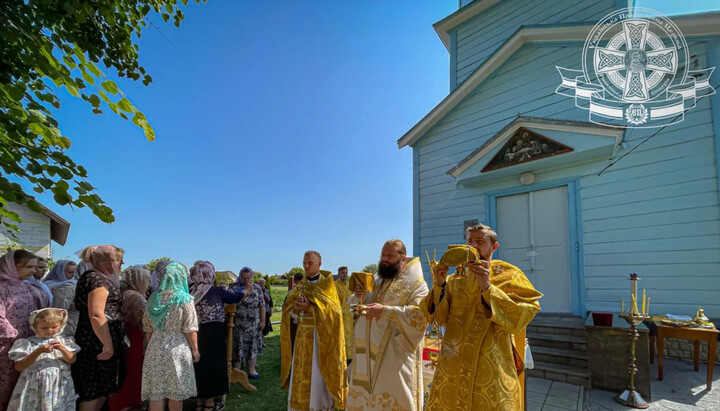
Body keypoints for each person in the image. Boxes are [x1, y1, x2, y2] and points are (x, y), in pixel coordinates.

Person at [420, 224, 543, 410]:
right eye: (470, 241)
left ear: (494, 246)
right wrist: (439, 284)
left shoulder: (509, 274)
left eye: (480, 241)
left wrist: (487, 288)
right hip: (453, 361)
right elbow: (439, 318)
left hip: (491, 362)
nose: (474, 245)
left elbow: (523, 314)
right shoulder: (455, 278)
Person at [347, 240, 429, 410]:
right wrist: (359, 297)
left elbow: (421, 314)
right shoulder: (376, 280)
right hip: (367, 354)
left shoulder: (417, 285)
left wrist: (384, 311)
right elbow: (357, 305)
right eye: (383, 255)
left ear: (403, 258)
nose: (384, 259)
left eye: (390, 256)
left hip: (394, 353)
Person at [281, 251, 346, 411]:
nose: (306, 266)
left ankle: (319, 406)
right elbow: (289, 313)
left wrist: (310, 308)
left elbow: (334, 314)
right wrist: (295, 310)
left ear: (319, 263)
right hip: (301, 338)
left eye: (310, 263)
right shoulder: (300, 286)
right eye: (304, 263)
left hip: (320, 340)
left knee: (317, 377)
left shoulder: (328, 286)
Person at [71, 245, 126, 411]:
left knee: (103, 388)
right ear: (107, 261)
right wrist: (107, 343)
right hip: (97, 340)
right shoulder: (97, 280)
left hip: (101, 337)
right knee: (92, 389)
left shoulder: (99, 277)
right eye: (118, 259)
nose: (122, 262)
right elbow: (96, 314)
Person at [190, 260, 249, 411]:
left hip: (196, 333)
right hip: (214, 334)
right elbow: (234, 298)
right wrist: (246, 290)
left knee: (198, 366)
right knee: (212, 366)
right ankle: (209, 404)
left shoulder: (191, 292)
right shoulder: (215, 291)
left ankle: (199, 402)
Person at [142, 262, 199, 411]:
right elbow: (190, 328)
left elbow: (148, 328)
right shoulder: (185, 299)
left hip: (155, 345)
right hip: (177, 347)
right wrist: (195, 349)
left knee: (157, 392)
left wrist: (153, 343)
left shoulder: (154, 298)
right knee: (176, 392)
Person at [7, 307, 80, 410]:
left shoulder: (64, 341)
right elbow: (19, 366)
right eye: (44, 328)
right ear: (35, 327)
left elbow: (72, 360)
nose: (50, 331)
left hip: (57, 384)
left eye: (54, 327)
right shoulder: (27, 343)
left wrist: (62, 349)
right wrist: (38, 351)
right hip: (34, 385)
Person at [0, 249, 40, 409]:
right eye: (29, 267)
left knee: (20, 386)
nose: (34, 271)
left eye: (35, 267)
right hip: (5, 348)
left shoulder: (26, 287)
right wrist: (14, 336)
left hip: (24, 345)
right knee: (4, 385)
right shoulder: (2, 288)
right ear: (12, 266)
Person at [109, 265, 151, 411]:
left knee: (129, 370)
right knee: (135, 372)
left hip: (127, 335)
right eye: (146, 279)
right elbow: (144, 321)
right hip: (137, 337)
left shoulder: (124, 292)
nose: (148, 282)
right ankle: (127, 402)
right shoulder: (136, 297)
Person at [229, 267, 265, 379]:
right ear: (240, 277)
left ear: (252, 277)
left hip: (253, 324)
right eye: (243, 278)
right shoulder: (233, 287)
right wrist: (245, 291)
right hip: (237, 324)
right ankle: (236, 370)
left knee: (252, 347)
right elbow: (231, 301)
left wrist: (263, 321)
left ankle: (251, 370)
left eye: (248, 278)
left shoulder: (257, 288)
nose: (246, 280)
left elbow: (262, 305)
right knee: (237, 347)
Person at [44, 260, 80, 336]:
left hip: (72, 325)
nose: (73, 275)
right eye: (70, 272)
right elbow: (58, 310)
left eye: (74, 272)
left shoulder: (74, 284)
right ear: (59, 272)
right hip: (62, 327)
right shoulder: (66, 287)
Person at [333, 266, 354, 365]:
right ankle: (342, 357)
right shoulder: (335, 286)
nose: (345, 275)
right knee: (342, 336)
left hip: (350, 315)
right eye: (342, 273)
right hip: (340, 315)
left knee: (350, 335)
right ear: (338, 273)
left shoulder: (350, 285)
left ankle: (350, 357)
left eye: (346, 273)